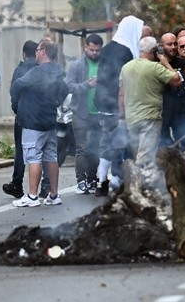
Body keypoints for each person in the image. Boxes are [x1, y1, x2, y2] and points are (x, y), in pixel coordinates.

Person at [10, 40, 70, 206]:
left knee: (33, 156)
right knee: (51, 156)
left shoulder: (37, 71)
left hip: (33, 120)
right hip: (49, 120)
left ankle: (32, 196)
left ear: (43, 51)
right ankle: (54, 194)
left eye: (38, 50)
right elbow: (65, 91)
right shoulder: (57, 71)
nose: (36, 53)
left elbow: (17, 86)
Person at [119, 35, 184, 181]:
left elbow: (121, 94)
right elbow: (177, 80)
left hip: (131, 118)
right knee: (145, 159)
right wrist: (166, 63)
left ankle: (138, 185)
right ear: (154, 51)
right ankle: (143, 187)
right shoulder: (155, 67)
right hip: (151, 118)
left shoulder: (126, 67)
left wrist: (121, 116)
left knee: (138, 155)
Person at [94, 16, 144, 195]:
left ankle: (101, 180)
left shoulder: (108, 48)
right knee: (119, 143)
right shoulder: (125, 52)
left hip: (102, 103)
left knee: (107, 141)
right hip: (117, 105)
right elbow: (124, 84)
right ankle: (116, 179)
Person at [66, 34, 103, 193]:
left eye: (97, 50)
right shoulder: (76, 65)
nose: (94, 53)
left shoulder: (104, 65)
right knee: (82, 148)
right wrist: (85, 85)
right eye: (92, 50)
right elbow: (69, 86)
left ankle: (92, 180)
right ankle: (80, 181)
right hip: (80, 113)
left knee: (95, 148)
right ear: (86, 47)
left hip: (99, 114)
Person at [3, 41, 39, 199]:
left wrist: (18, 110)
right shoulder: (41, 69)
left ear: (24, 54)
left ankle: (17, 184)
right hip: (40, 116)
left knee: (21, 151)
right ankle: (45, 186)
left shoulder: (20, 70)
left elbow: (14, 94)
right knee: (42, 151)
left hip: (23, 117)